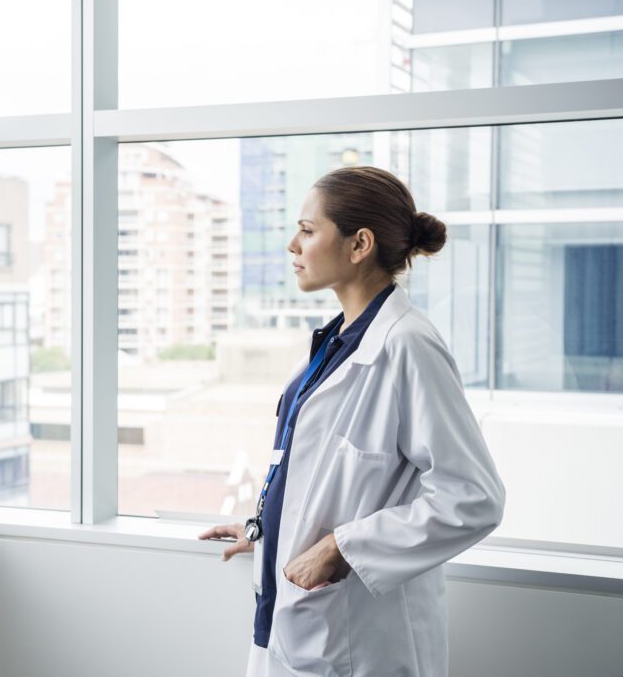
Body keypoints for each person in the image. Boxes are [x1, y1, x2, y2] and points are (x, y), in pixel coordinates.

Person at [199, 166, 506, 677]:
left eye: (308, 229)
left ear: (359, 244)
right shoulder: (338, 341)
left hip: (359, 641)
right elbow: (324, 472)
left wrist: (344, 546)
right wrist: (268, 526)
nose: (292, 244)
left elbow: (473, 498)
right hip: (289, 616)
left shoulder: (407, 345)